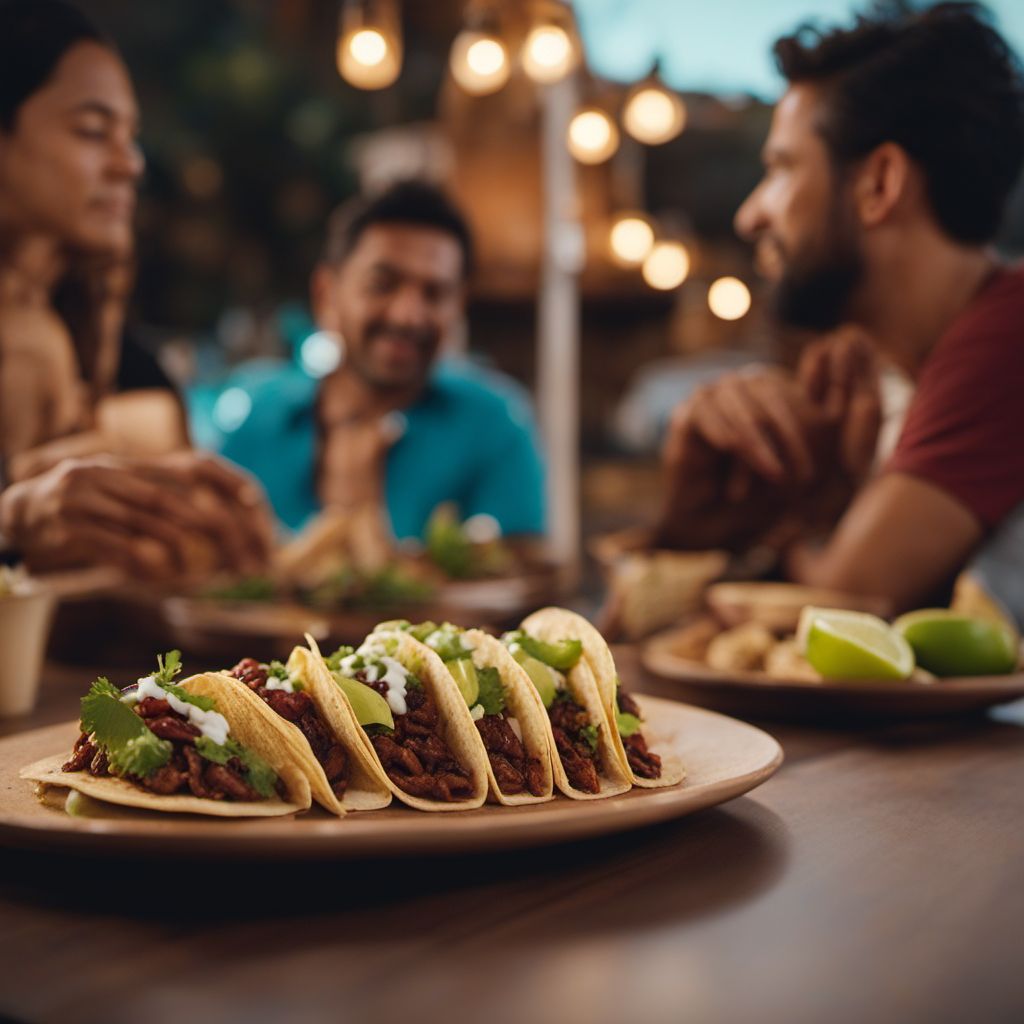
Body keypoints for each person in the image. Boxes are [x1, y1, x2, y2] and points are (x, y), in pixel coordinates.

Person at [654, 2, 1024, 619]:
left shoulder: (1009, 333)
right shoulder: (918, 370)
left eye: (781, 169)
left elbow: (839, 610)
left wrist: (794, 517)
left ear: (879, 184)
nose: (751, 215)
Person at [0, 0, 273, 578]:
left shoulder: (135, 373)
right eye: (94, 131)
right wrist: (14, 522)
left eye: (131, 136)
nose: (130, 164)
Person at [199, 180, 547, 542]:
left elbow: (522, 579)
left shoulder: (495, 424)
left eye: (435, 293)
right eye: (383, 284)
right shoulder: (258, 415)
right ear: (326, 295)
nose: (408, 316)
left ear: (458, 307)